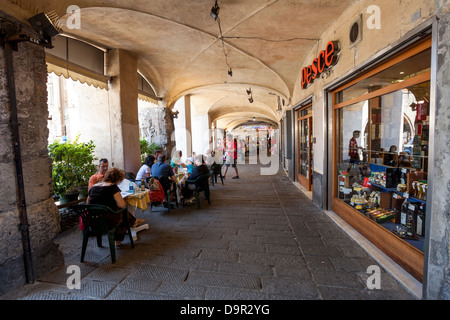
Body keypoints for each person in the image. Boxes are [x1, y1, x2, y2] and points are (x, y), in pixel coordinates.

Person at [87, 168, 145, 247]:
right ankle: (119, 239)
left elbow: (88, 204)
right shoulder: (112, 187)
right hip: (107, 221)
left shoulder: (94, 187)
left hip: (92, 220)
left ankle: (133, 221)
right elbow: (122, 205)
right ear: (117, 179)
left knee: (119, 212)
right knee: (123, 212)